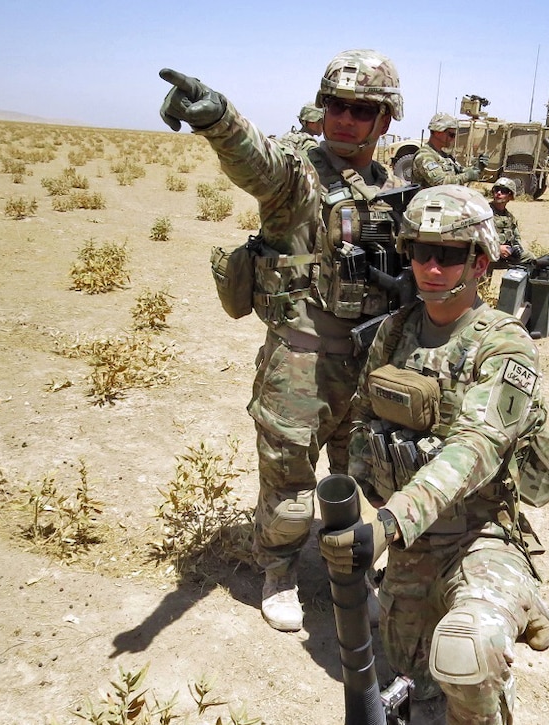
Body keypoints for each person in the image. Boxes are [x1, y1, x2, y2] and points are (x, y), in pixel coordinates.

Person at [159, 49, 409, 632]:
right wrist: (217, 118)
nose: (344, 118)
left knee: (363, 486)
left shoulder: (394, 188)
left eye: (360, 108)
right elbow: (258, 164)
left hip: (371, 366)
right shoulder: (297, 179)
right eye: (334, 105)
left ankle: (353, 577)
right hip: (301, 364)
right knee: (290, 490)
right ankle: (278, 572)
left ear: (385, 120)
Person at [320, 184, 549, 723]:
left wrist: (389, 523)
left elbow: (476, 446)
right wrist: (355, 513)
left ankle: (510, 597)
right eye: (420, 253)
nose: (431, 267)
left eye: (448, 255)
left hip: (480, 536)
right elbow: (363, 427)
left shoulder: (504, 344)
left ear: (480, 261)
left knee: (467, 654)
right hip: (413, 545)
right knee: (416, 685)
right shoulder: (396, 333)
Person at [411, 113, 487, 189]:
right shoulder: (425, 156)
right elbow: (440, 182)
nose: (453, 139)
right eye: (451, 135)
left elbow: (460, 171)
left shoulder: (445, 156)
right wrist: (467, 176)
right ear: (438, 132)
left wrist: (477, 167)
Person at [487, 176, 534, 269]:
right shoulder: (484, 212)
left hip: (505, 256)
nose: (499, 193)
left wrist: (515, 249)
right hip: (487, 254)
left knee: (529, 259)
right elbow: (477, 239)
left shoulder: (510, 218)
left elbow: (516, 238)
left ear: (510, 195)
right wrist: (497, 248)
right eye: (496, 190)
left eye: (503, 191)